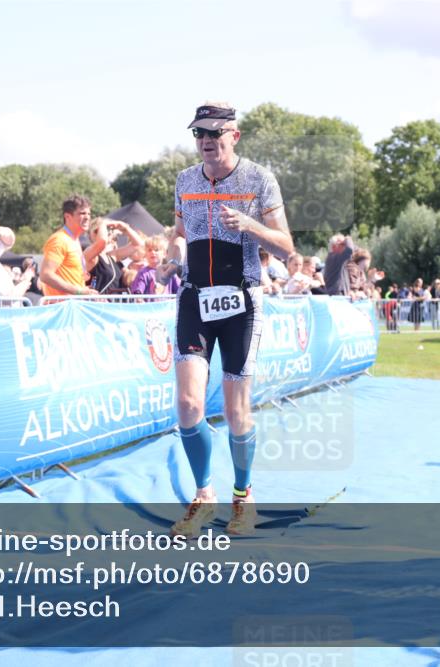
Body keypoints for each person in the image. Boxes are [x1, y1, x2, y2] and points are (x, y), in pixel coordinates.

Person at [159, 102, 294, 537]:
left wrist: (251, 225)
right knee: (188, 404)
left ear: (234, 136)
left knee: (237, 412)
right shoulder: (184, 180)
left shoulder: (259, 179)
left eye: (215, 133)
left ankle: (243, 496)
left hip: (242, 302)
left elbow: (287, 245)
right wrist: (171, 256)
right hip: (195, 299)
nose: (206, 141)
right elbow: (179, 235)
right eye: (199, 133)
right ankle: (203, 496)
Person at [40, 195, 97, 297]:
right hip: (62, 308)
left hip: (74, 306)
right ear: (67, 217)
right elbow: (46, 275)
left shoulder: (74, 240)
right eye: (82, 213)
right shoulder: (59, 240)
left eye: (89, 213)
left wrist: (83, 290)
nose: (87, 217)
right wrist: (78, 291)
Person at [85, 216, 144, 293]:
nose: (109, 232)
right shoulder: (89, 256)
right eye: (106, 229)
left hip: (114, 303)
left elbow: (138, 244)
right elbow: (102, 241)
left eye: (110, 229)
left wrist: (125, 228)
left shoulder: (112, 256)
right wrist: (103, 223)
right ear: (93, 234)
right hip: (98, 304)